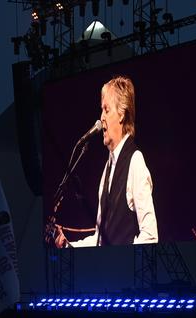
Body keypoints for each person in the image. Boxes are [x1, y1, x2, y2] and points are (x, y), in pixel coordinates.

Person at [56, 76, 158, 247]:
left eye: (106, 109)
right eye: (102, 110)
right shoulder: (108, 168)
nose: (101, 117)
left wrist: (122, 259)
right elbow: (100, 240)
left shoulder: (135, 161)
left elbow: (150, 236)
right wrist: (67, 246)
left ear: (121, 114)